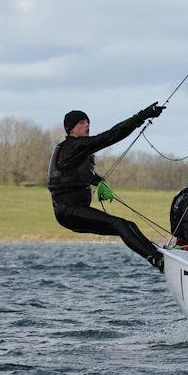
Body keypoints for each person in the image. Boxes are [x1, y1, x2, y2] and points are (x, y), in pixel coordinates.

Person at [48, 104, 166, 272]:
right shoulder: (73, 145)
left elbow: (73, 175)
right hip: (69, 210)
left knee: (127, 225)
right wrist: (142, 116)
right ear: (70, 128)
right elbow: (110, 136)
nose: (87, 125)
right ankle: (157, 260)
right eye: (81, 123)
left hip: (71, 212)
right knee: (120, 225)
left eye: (87, 122)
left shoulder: (73, 150)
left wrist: (98, 181)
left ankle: (159, 256)